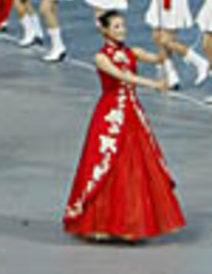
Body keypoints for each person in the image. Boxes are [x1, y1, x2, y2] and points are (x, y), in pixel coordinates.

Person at [63, 12, 185, 241]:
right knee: (107, 165)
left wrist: (165, 45)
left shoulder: (132, 51)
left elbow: (158, 58)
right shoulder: (101, 58)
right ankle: (100, 221)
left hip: (132, 112)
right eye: (117, 26)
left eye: (123, 25)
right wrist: (155, 84)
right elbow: (122, 76)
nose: (122, 30)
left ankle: (130, 221)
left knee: (134, 164)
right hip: (110, 115)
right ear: (105, 30)